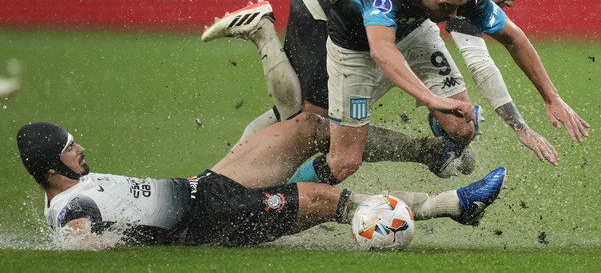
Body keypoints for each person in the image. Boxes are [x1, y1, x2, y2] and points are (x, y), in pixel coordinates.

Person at [202, 0, 587, 178]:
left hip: (409, 21)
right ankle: (263, 34)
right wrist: (433, 100)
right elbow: (387, 54)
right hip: (327, 11)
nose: (509, 3)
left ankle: (437, 148)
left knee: (463, 126)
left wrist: (552, 99)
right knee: (308, 122)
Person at [16, 118, 506, 249]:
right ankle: (452, 205)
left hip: (204, 188)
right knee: (325, 200)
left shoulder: (76, 182)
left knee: (308, 127)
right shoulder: (67, 205)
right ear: (50, 166)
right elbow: (77, 237)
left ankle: (433, 154)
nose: (79, 149)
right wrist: (99, 248)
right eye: (69, 146)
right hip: (210, 221)